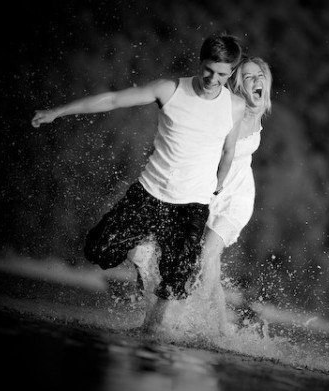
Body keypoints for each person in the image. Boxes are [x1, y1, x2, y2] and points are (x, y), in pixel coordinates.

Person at [31, 34, 246, 334]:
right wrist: (57, 112)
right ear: (200, 63)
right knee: (99, 249)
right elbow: (113, 99)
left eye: (222, 74)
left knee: (176, 282)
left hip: (192, 206)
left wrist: (217, 187)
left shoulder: (234, 106)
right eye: (208, 70)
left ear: (232, 72)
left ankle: (151, 330)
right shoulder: (170, 89)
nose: (213, 79)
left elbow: (228, 151)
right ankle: (141, 254)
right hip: (149, 194)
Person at [198, 56, 272, 335]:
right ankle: (219, 328)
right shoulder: (228, 109)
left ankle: (206, 325)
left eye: (259, 76)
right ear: (239, 84)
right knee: (206, 263)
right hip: (209, 193)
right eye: (249, 77)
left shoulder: (258, 109)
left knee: (207, 256)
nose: (256, 81)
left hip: (237, 198)